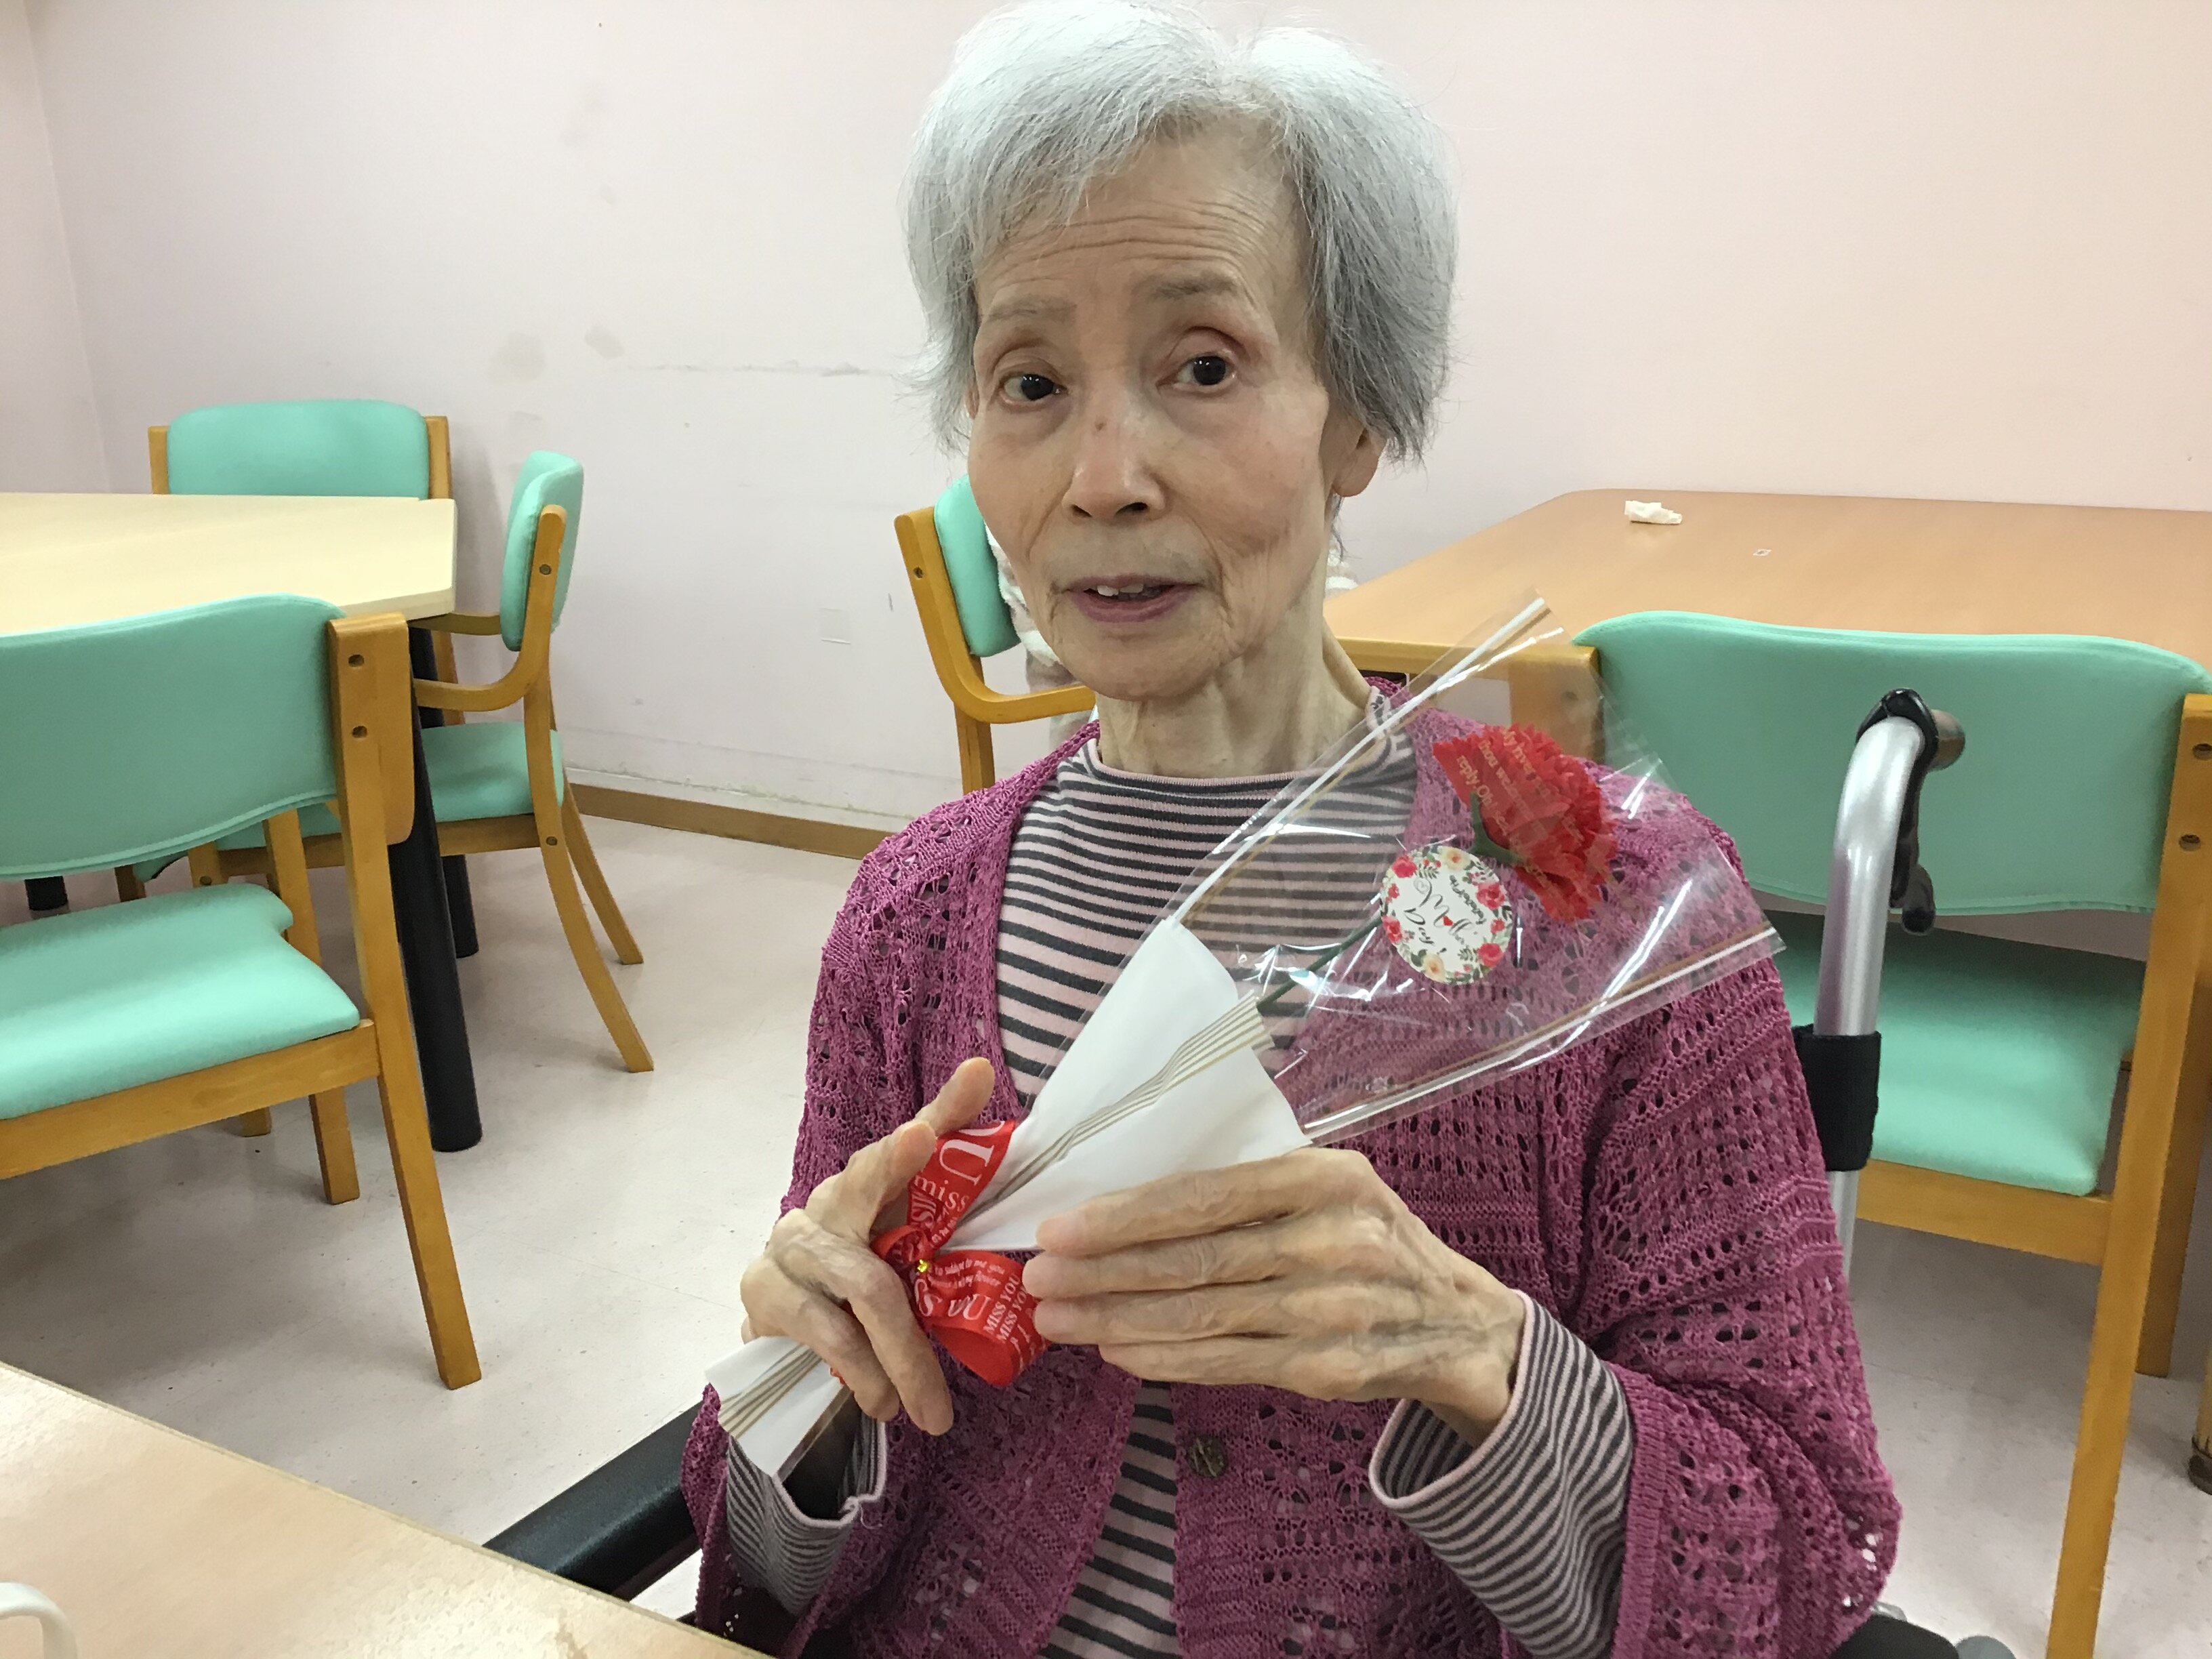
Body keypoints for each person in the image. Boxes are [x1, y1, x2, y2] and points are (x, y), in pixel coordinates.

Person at [682, 3, 1898, 1654]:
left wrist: (1465, 1348)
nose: (1103, 477)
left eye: (1204, 365)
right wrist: (798, 1395)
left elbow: (1796, 1556)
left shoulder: (1608, 899)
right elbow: (760, 1562)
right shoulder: (915, 916)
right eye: (1030, 382)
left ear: (1359, 416)